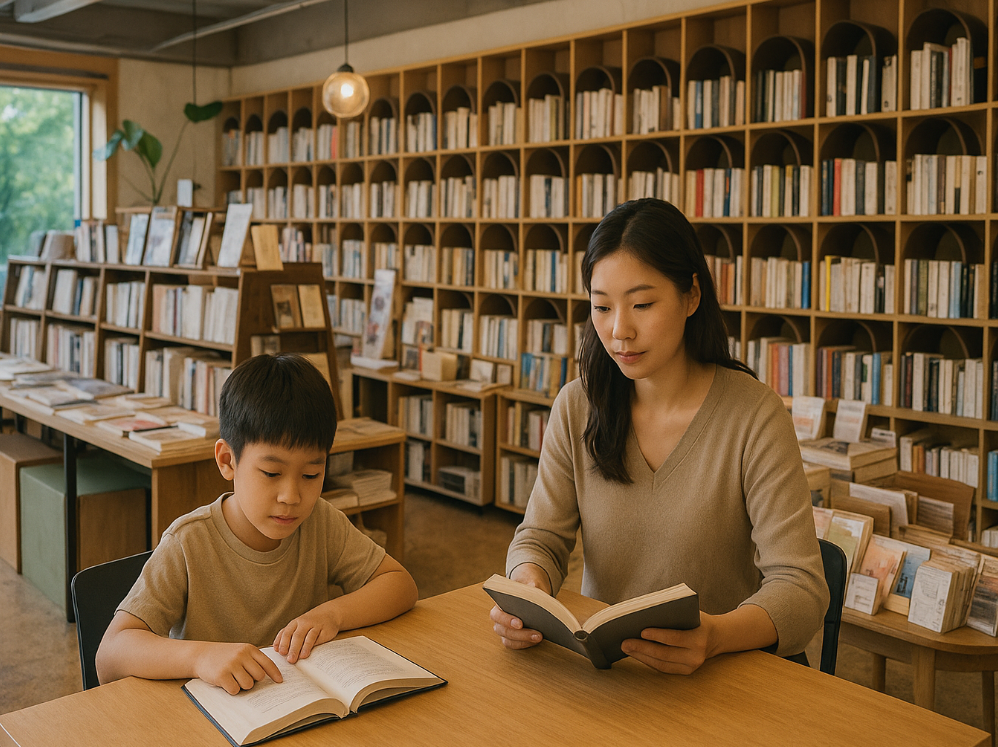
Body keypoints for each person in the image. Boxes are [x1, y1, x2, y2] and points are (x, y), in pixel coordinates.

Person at [491, 198, 828, 674]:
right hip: (611, 679)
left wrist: (715, 636)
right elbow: (540, 538)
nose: (619, 331)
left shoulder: (754, 414)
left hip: (723, 677)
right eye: (602, 307)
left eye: (642, 304)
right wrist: (526, 587)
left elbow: (801, 586)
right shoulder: (577, 405)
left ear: (691, 296)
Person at [96, 353, 418, 692]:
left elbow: (400, 584)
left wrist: (332, 614)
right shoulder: (188, 542)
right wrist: (199, 657)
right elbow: (111, 655)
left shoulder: (320, 521)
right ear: (227, 461)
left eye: (311, 474)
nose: (291, 496)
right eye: (271, 473)